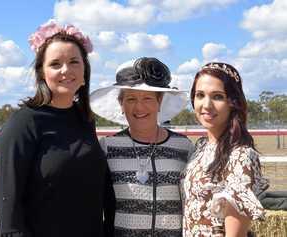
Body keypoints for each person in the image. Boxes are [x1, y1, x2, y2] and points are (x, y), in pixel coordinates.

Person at [0, 20, 114, 237]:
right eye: (55, 63)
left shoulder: (85, 120)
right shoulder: (22, 125)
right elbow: (8, 212)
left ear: (85, 70)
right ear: (41, 72)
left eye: (74, 62)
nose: (66, 70)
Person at [90, 57, 194, 237]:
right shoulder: (107, 147)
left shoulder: (184, 147)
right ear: (121, 104)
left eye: (147, 98)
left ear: (159, 102)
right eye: (130, 99)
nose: (139, 107)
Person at [182, 62, 269, 236]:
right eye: (200, 95)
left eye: (217, 96)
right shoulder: (200, 149)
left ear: (233, 102)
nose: (206, 105)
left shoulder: (240, 156)